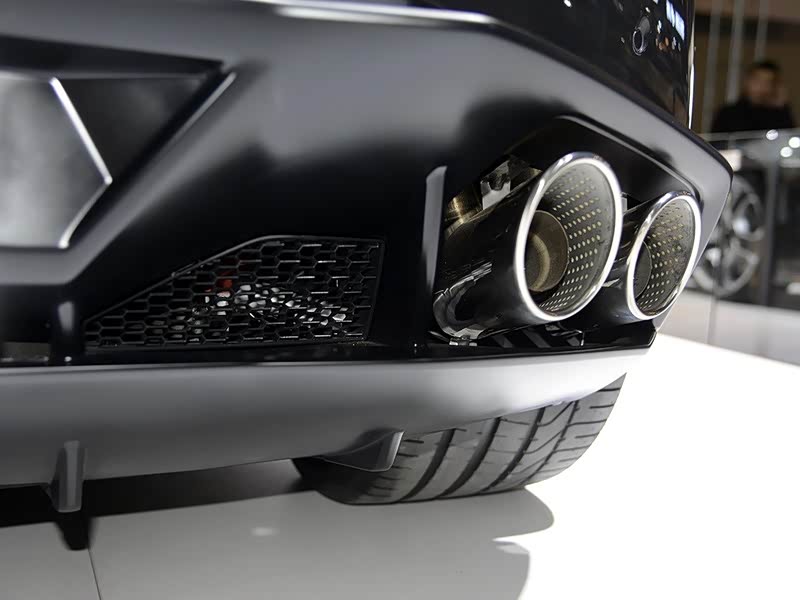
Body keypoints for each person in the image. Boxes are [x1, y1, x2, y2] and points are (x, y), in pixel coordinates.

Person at [711, 60, 795, 133]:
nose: (761, 86)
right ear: (746, 81)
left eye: (767, 82)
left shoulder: (777, 114)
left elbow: (788, 136)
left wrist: (781, 107)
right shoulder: (728, 113)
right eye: (757, 81)